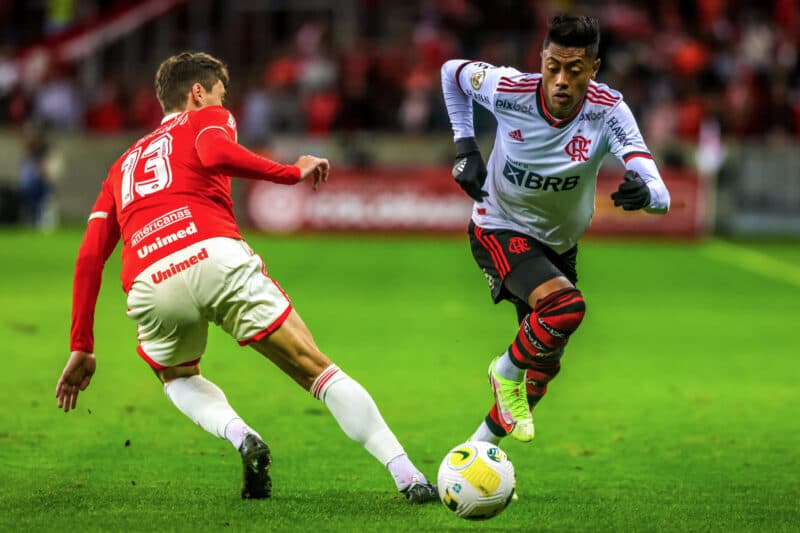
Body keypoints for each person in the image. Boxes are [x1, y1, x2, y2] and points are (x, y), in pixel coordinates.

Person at [55, 51, 437, 503]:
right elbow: (214, 152)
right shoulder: (206, 117)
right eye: (220, 93)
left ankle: (241, 435)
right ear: (198, 92)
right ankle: (408, 476)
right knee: (316, 369)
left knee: (177, 378)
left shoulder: (121, 166)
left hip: (152, 279)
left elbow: (89, 256)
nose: (224, 102)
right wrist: (291, 172)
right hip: (214, 253)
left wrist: (82, 344)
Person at [440, 15, 670, 444]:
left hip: (559, 246)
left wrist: (646, 194)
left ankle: (477, 449)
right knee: (566, 308)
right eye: (553, 67)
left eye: (575, 70)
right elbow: (451, 72)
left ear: (593, 68)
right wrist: (465, 146)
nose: (562, 80)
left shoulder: (608, 110)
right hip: (499, 226)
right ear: (541, 59)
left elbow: (661, 192)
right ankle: (503, 370)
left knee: (545, 365)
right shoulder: (509, 89)